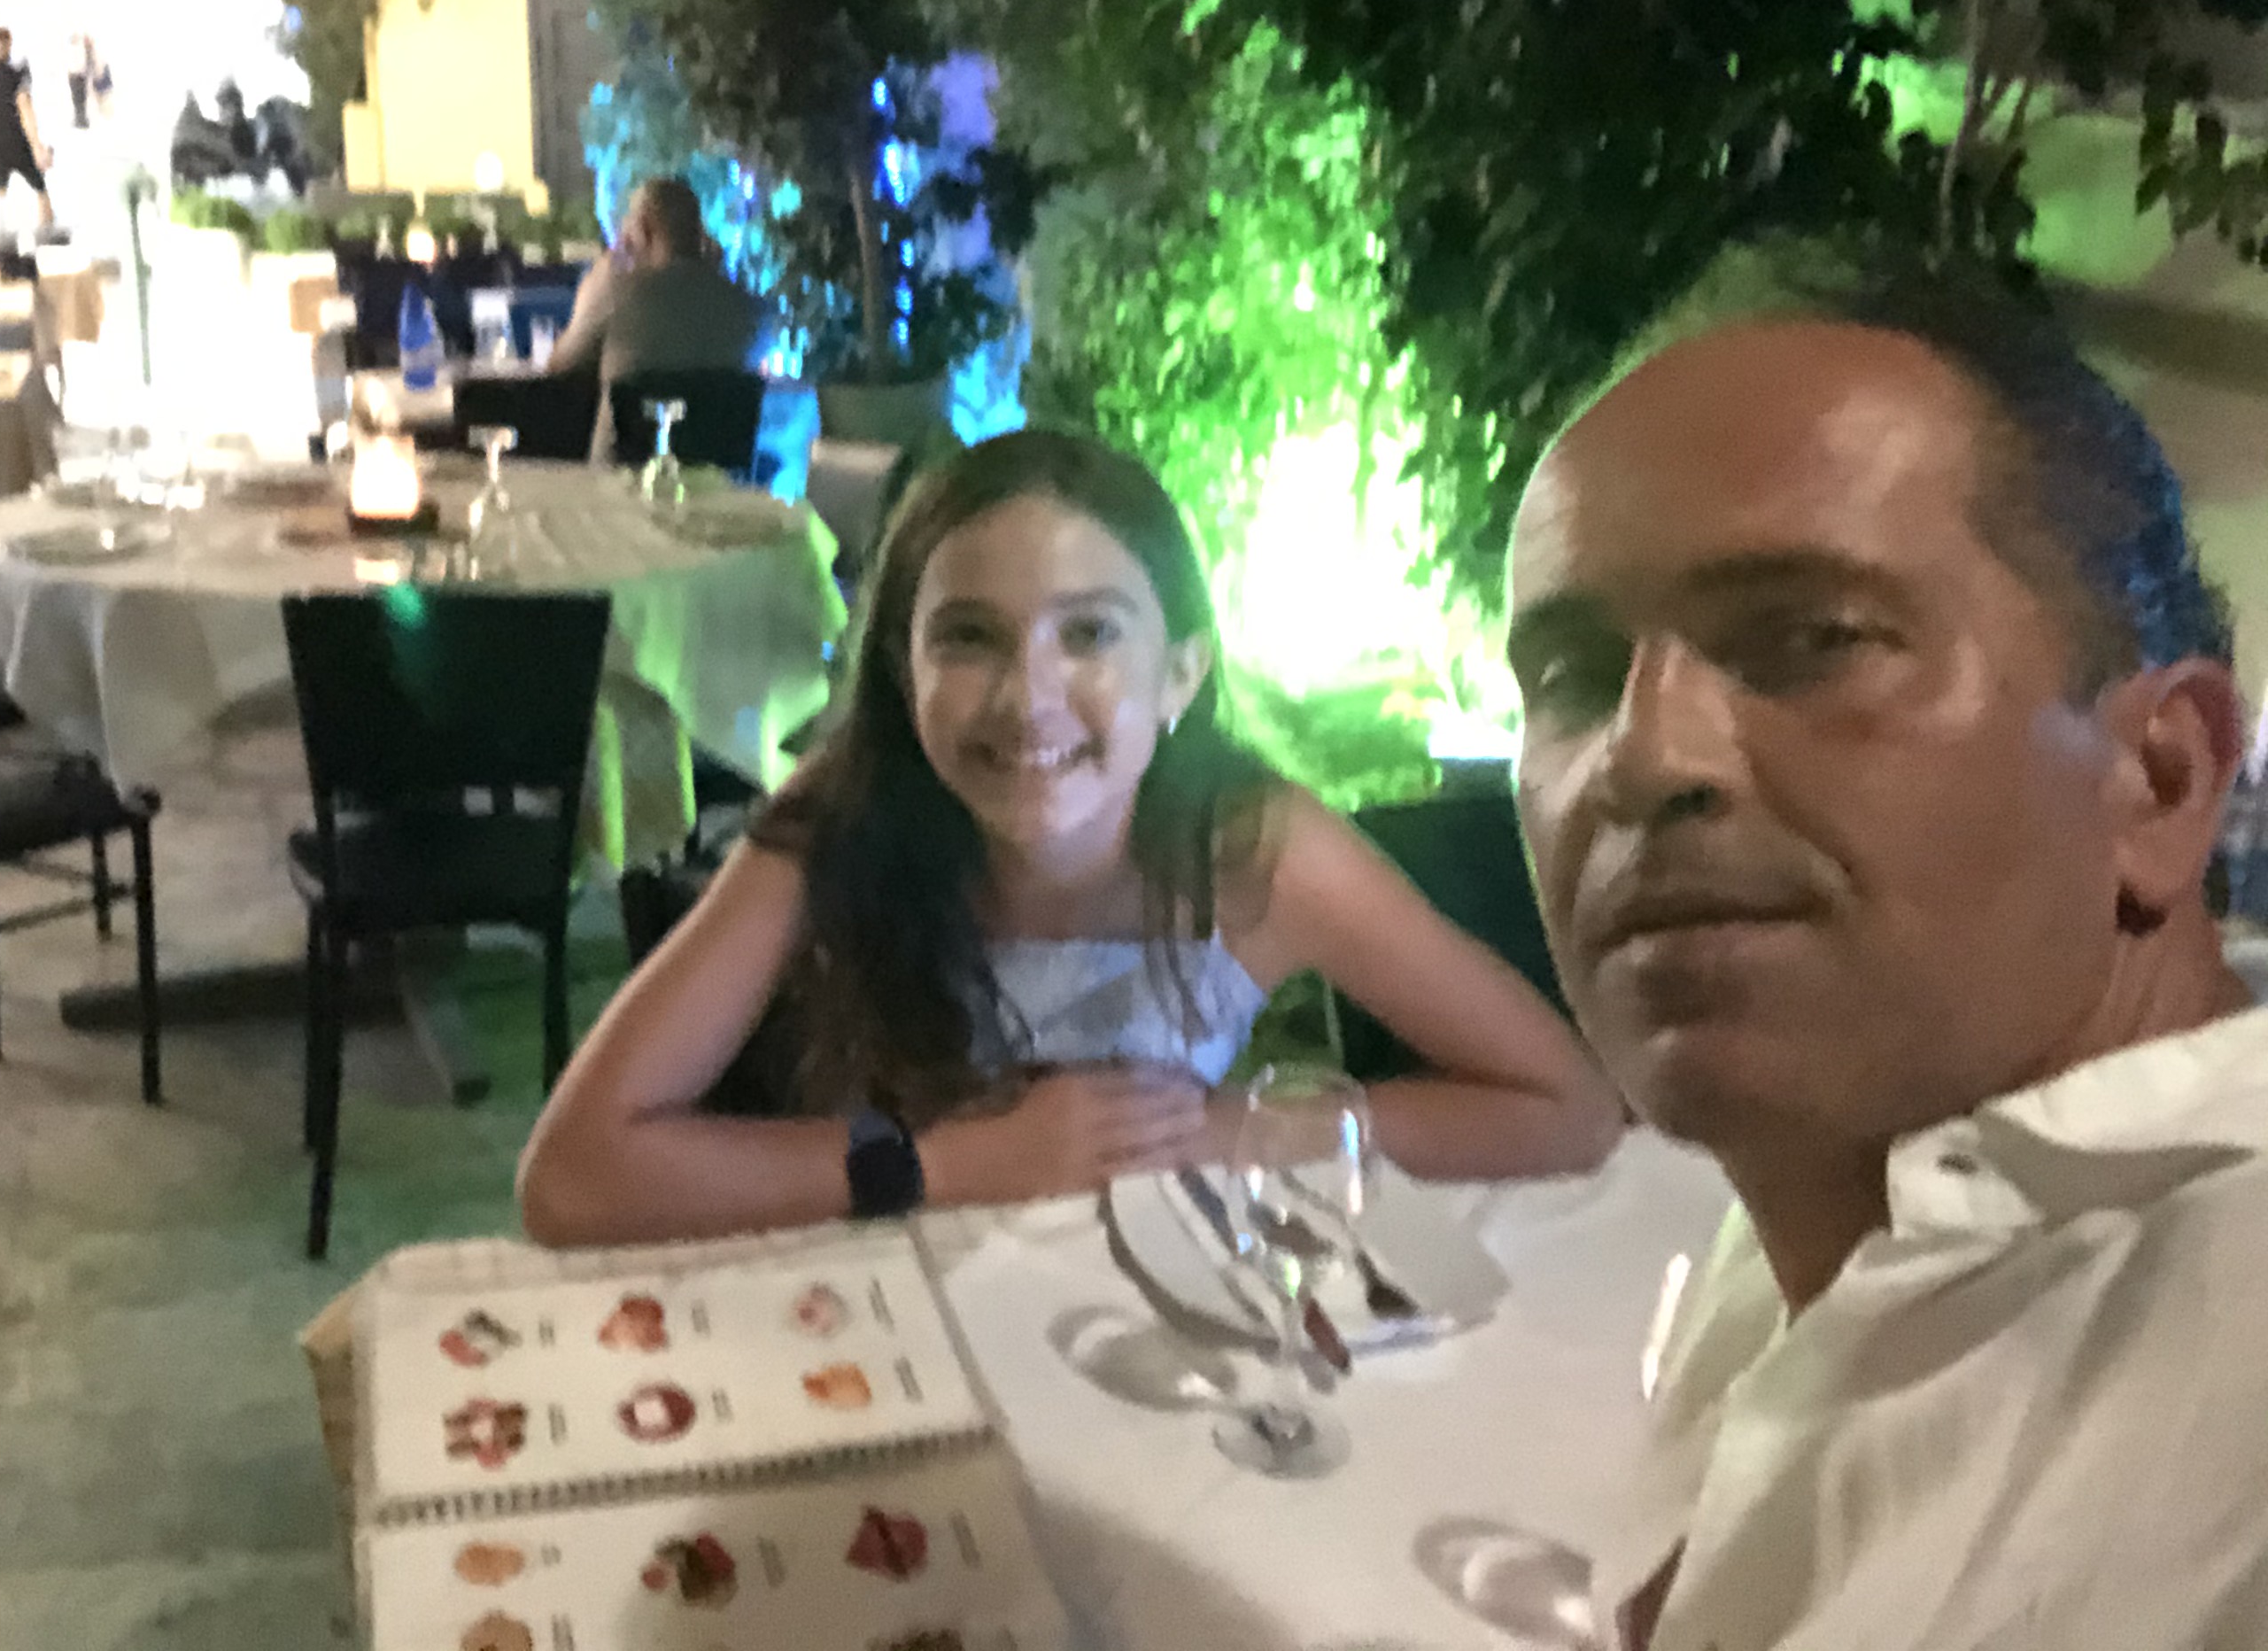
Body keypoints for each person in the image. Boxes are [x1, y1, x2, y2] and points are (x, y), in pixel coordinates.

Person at [1504, 236, 2268, 1651]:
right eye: (1573, 673)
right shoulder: (1845, 1162)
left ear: (2161, 779)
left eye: (1814, 640)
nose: (1642, 756)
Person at [517, 427, 1623, 1247]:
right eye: (968, 638)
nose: (1027, 698)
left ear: (1178, 673)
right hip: (883, 1318)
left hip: (1142, 1321)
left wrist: (1212, 1133)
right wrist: (949, 1162)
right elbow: (570, 1174)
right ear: (903, 671)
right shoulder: (834, 818)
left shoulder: (1253, 852)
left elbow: (1565, 1108)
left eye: (1088, 632)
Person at [543, 177, 768, 390]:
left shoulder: (615, 295)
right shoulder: (745, 310)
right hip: (716, 421)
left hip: (632, 421)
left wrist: (591, 291)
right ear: (700, 233)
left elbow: (560, 368)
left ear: (643, 230)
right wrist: (717, 277)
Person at [0, 25, 53, 237]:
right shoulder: (16, 71)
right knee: (40, 187)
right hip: (18, 140)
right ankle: (47, 231)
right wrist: (37, 145)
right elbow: (25, 107)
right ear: (8, 43)